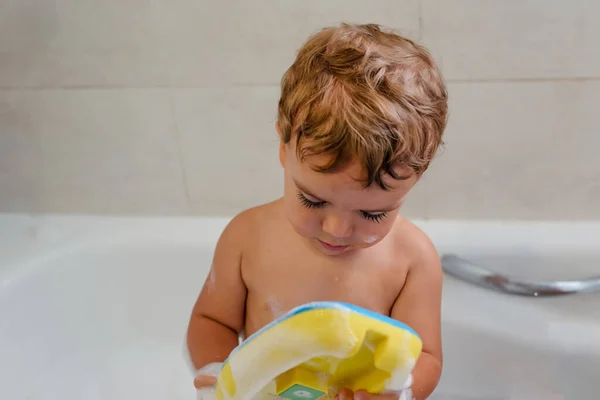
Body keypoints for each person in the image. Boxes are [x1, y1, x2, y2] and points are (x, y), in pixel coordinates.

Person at [186, 22, 448, 400]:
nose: (338, 229)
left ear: (414, 180)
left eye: (372, 215)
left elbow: (427, 356)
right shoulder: (248, 237)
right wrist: (218, 372)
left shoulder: (413, 260)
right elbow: (211, 320)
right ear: (283, 147)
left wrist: (401, 393)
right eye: (313, 200)